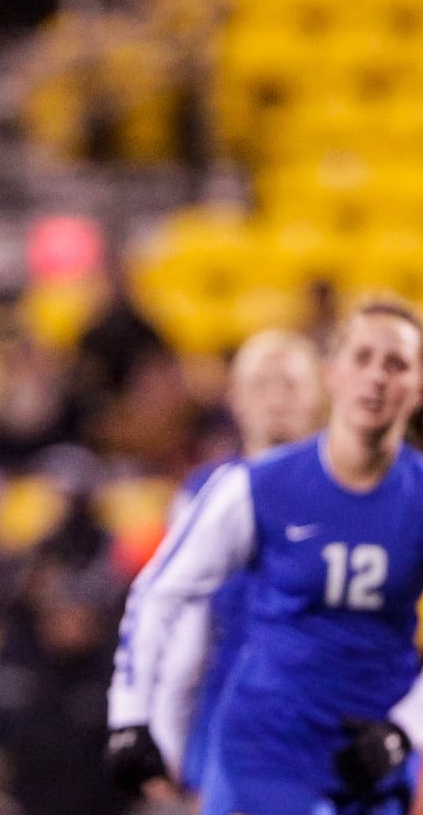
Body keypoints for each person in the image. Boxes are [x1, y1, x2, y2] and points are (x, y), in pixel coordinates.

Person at [106, 295, 423, 815]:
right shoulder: (251, 488)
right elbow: (165, 598)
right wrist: (136, 718)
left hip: (370, 750)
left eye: (396, 364)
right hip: (265, 743)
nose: (376, 377)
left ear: (421, 389)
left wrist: (405, 729)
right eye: (363, 358)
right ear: (334, 375)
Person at [147, 329, 326, 801]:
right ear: (236, 397)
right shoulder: (203, 494)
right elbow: (186, 623)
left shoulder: (352, 491)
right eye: (263, 383)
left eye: (290, 384)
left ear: (318, 395)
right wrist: (166, 731)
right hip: (234, 701)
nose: (277, 398)